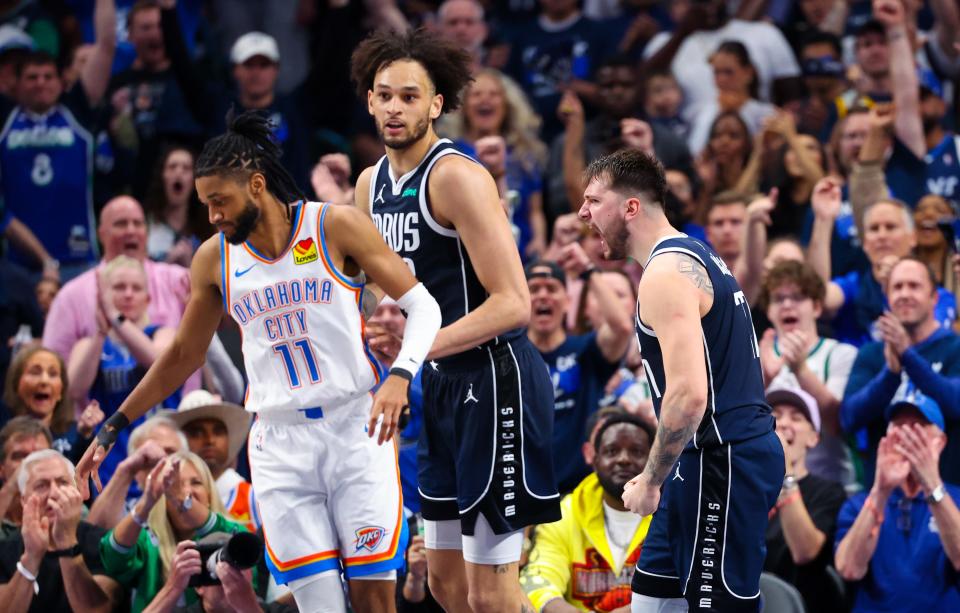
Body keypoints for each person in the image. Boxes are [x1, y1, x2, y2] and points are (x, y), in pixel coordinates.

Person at [76, 110, 442, 613]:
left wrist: (401, 375)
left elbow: (424, 305)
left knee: (374, 601)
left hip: (354, 428)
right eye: (205, 205)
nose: (212, 216)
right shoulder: (214, 258)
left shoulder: (334, 225)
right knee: (319, 607)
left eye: (219, 201)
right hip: (279, 443)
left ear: (255, 183)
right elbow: (184, 354)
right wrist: (114, 425)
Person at [351, 29, 561, 613]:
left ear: (437, 104)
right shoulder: (370, 185)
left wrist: (410, 352)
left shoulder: (457, 177)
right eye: (385, 95)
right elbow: (372, 286)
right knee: (445, 584)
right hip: (439, 382)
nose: (395, 107)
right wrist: (381, 320)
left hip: (496, 380)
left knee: (491, 594)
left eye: (410, 96)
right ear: (369, 100)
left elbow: (513, 302)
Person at [578, 148, 782, 611]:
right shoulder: (691, 253)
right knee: (650, 601)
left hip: (722, 460)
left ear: (631, 207)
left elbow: (688, 395)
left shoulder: (666, 273)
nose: (582, 213)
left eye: (593, 200)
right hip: (701, 460)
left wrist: (650, 479)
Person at [0, 0, 115, 280]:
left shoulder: (77, 109)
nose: (40, 82)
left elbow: (106, 45)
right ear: (17, 84)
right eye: (32, 77)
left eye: (47, 76)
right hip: (17, 264)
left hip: (77, 257)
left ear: (61, 82)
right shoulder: (4, 117)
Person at [834, 396, 960, 611]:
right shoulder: (860, 504)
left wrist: (931, 485)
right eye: (899, 427)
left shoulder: (956, 499)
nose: (906, 436)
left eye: (918, 427)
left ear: (940, 442)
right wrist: (881, 492)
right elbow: (849, 569)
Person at [842, 257, 960, 483]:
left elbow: (955, 403)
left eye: (914, 286)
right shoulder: (872, 354)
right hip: (886, 494)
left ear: (934, 297)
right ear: (887, 298)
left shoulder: (955, 347)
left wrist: (908, 356)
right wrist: (890, 375)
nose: (905, 294)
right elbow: (849, 418)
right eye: (897, 287)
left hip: (947, 489)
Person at [521, 413, 655, 612]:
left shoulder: (672, 516)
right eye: (612, 451)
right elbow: (538, 581)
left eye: (636, 451)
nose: (624, 459)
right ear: (594, 458)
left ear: (654, 459)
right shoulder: (565, 514)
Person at [67, 255, 181, 485]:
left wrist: (115, 317)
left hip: (161, 453)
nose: (128, 294)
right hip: (109, 462)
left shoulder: (163, 334)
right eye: (119, 287)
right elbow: (75, 389)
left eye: (136, 288)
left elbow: (157, 362)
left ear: (147, 299)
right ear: (103, 298)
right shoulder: (87, 345)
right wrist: (100, 332)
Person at [526, 256, 631, 494]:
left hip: (578, 491)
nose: (543, 295)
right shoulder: (510, 357)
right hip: (525, 492)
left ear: (567, 301)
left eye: (552, 289)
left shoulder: (586, 351)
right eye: (533, 290)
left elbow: (622, 327)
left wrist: (588, 269)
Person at [99, 450, 254, 612]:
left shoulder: (234, 533)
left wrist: (183, 501)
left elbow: (248, 561)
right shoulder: (147, 540)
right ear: (162, 499)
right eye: (175, 486)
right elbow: (112, 559)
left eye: (196, 482)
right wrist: (147, 502)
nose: (186, 492)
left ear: (210, 494)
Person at [759, 260, 858, 487]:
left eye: (797, 297)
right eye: (778, 299)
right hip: (768, 486)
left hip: (830, 486)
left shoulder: (840, 354)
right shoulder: (755, 355)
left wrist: (801, 370)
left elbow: (836, 423)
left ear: (816, 307)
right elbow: (735, 421)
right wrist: (764, 379)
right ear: (769, 310)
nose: (787, 305)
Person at [0, 449, 122, 612]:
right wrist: (31, 558)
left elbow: (100, 610)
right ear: (23, 500)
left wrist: (66, 542)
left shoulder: (101, 541)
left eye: (63, 483)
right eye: (41, 485)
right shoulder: (5, 550)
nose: (54, 493)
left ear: (77, 491)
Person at [764, 387, 847, 611]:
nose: (783, 424)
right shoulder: (742, 489)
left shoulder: (829, 492)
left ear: (813, 438)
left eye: (797, 417)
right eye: (775, 415)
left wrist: (785, 474)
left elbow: (806, 553)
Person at [168, 390, 258, 532]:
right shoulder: (167, 501)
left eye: (218, 432)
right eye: (197, 433)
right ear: (180, 440)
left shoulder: (253, 498)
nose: (210, 440)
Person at [3, 345, 103, 464]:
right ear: (16, 384)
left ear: (61, 390)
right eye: (35, 373)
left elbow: (83, 477)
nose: (44, 381)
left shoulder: (77, 434)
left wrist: (84, 436)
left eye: (53, 374)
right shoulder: (3, 434)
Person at [86, 415, 186, 529]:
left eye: (171, 453)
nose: (162, 462)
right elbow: (93, 537)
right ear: (137, 473)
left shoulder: (201, 496)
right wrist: (125, 470)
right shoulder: (125, 512)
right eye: (149, 457)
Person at [143, 146, 212, 267]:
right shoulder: (145, 225)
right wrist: (167, 262)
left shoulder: (207, 229)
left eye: (186, 168)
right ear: (163, 176)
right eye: (172, 167)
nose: (179, 172)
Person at [0, 418, 52, 539]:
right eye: (19, 457)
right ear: (1, 469)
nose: (30, 464)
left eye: (40, 456)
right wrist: (12, 487)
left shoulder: (69, 506)